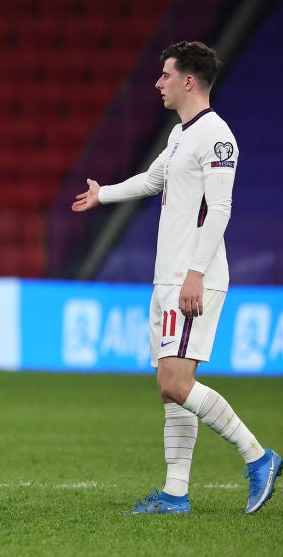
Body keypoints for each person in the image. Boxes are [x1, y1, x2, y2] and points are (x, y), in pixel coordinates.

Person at [72, 41, 279, 515]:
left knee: (174, 382)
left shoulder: (217, 136)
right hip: (169, 277)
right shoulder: (180, 134)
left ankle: (257, 456)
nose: (158, 83)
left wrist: (195, 274)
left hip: (193, 276)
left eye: (165, 75)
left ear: (188, 80)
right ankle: (175, 493)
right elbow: (152, 179)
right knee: (172, 391)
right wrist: (104, 195)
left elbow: (221, 208)